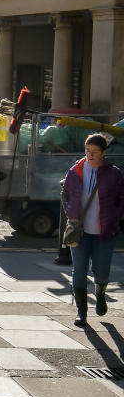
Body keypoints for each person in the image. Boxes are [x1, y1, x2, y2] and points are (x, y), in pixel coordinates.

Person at [61, 133, 124, 327]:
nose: (90, 155)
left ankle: (100, 292)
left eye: (95, 152)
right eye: (87, 151)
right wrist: (71, 212)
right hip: (80, 232)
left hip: (104, 233)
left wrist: (114, 216)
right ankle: (82, 312)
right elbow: (65, 194)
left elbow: (122, 198)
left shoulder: (114, 173)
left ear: (104, 152)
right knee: (79, 271)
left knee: (102, 272)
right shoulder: (76, 171)